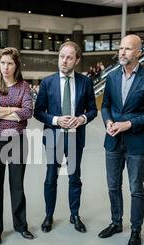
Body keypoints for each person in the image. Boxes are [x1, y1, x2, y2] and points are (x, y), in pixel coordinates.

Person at [99, 35, 144, 245]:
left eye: (128, 49)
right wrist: (108, 121)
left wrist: (130, 124)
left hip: (137, 142)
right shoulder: (111, 77)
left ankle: (136, 230)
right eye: (121, 48)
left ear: (138, 52)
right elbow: (106, 105)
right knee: (112, 185)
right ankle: (116, 222)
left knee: (136, 187)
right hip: (113, 140)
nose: (122, 52)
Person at [34, 41, 97, 233]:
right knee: (51, 177)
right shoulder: (47, 82)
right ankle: (49, 215)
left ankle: (75, 215)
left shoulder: (85, 82)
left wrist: (83, 118)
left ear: (76, 60)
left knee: (74, 178)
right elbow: (38, 111)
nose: (64, 61)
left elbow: (93, 109)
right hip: (53, 136)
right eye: (62, 56)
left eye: (69, 57)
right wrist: (56, 120)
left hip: (75, 137)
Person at [0, 47, 34, 245]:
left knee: (17, 185)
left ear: (16, 65)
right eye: (3, 63)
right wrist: (15, 109)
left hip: (17, 139)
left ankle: (21, 226)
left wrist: (0, 110)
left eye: (10, 63)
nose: (6, 67)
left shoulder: (23, 86)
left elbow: (28, 112)